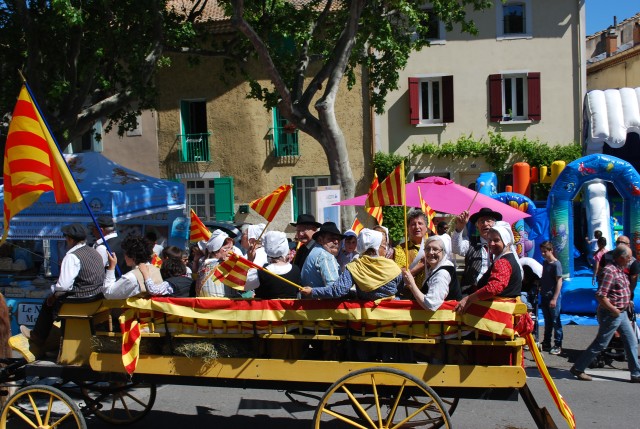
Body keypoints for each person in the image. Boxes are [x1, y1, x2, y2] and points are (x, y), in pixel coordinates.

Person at [20, 223, 104, 348]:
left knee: (48, 303)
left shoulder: (71, 256)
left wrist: (53, 293)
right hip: (96, 297)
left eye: (66, 239)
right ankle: (56, 336)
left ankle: (38, 336)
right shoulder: (94, 252)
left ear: (70, 239)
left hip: (82, 299)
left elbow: (63, 286)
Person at [570, 245, 640, 383]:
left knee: (631, 341)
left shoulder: (619, 269)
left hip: (622, 312)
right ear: (621, 258)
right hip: (612, 313)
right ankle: (578, 368)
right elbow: (601, 295)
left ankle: (636, 374)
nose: (630, 260)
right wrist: (613, 309)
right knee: (601, 343)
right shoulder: (610, 271)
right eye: (628, 257)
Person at [300, 228, 403, 300]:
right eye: (383, 244)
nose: (385, 248)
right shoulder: (393, 267)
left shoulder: (354, 266)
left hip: (365, 322)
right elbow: (400, 287)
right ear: (377, 246)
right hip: (392, 320)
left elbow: (338, 290)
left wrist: (313, 291)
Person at [454, 221, 522, 314]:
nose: (492, 244)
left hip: (498, 317)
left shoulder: (503, 262)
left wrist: (469, 299)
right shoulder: (506, 259)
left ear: (506, 241)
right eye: (490, 240)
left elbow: (493, 288)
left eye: (496, 240)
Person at [452, 207, 503, 296]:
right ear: (477, 226)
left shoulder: (503, 245)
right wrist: (459, 228)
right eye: (481, 221)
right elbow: (455, 248)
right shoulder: (470, 242)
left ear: (495, 224)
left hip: (496, 291)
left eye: (488, 221)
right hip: (471, 292)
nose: (485, 224)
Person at [402, 235, 461, 311]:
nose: (430, 252)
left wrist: (411, 284)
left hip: (443, 321)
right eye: (427, 249)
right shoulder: (434, 268)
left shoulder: (442, 274)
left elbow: (430, 305)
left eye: (435, 249)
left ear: (443, 252)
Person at [245, 231, 301, 299]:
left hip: (266, 309)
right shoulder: (296, 269)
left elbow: (243, 284)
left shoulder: (261, 273)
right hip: (289, 309)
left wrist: (250, 260)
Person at [196, 230, 241, 298]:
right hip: (221, 304)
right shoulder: (222, 265)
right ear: (216, 251)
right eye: (226, 248)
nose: (231, 251)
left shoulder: (204, 263)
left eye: (231, 248)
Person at [300, 222, 343, 290]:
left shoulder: (315, 251)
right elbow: (334, 289)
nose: (336, 242)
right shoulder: (326, 256)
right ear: (320, 240)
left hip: (311, 299)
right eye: (331, 238)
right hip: (322, 300)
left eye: (339, 239)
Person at [394, 210, 429, 291]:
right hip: (409, 295)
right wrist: (422, 264)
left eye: (420, 223)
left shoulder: (434, 246)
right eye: (413, 224)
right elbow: (401, 275)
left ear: (426, 228)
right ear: (408, 228)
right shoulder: (401, 248)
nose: (417, 227)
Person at [539, 241, 563, 355]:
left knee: (555, 320)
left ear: (550, 250)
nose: (543, 254)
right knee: (547, 321)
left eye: (545, 251)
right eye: (542, 252)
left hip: (552, 297)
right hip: (544, 295)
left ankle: (558, 344)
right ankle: (546, 342)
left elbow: (559, 282)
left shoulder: (556, 264)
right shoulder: (545, 263)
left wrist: (554, 298)